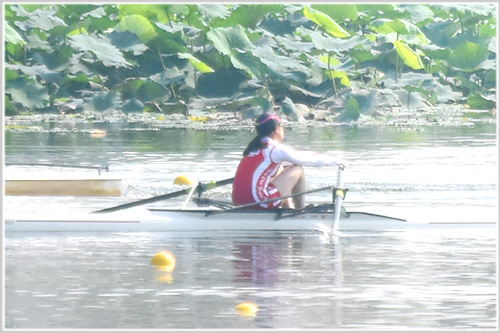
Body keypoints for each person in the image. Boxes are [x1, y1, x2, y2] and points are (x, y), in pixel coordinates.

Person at [232, 113, 344, 210]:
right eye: (282, 126)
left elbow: (299, 155)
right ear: (276, 130)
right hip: (260, 202)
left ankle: (288, 209)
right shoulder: (274, 149)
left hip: (238, 202)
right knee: (297, 169)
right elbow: (308, 160)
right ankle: (300, 211)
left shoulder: (254, 148)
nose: (284, 130)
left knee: (281, 168)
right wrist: (336, 161)